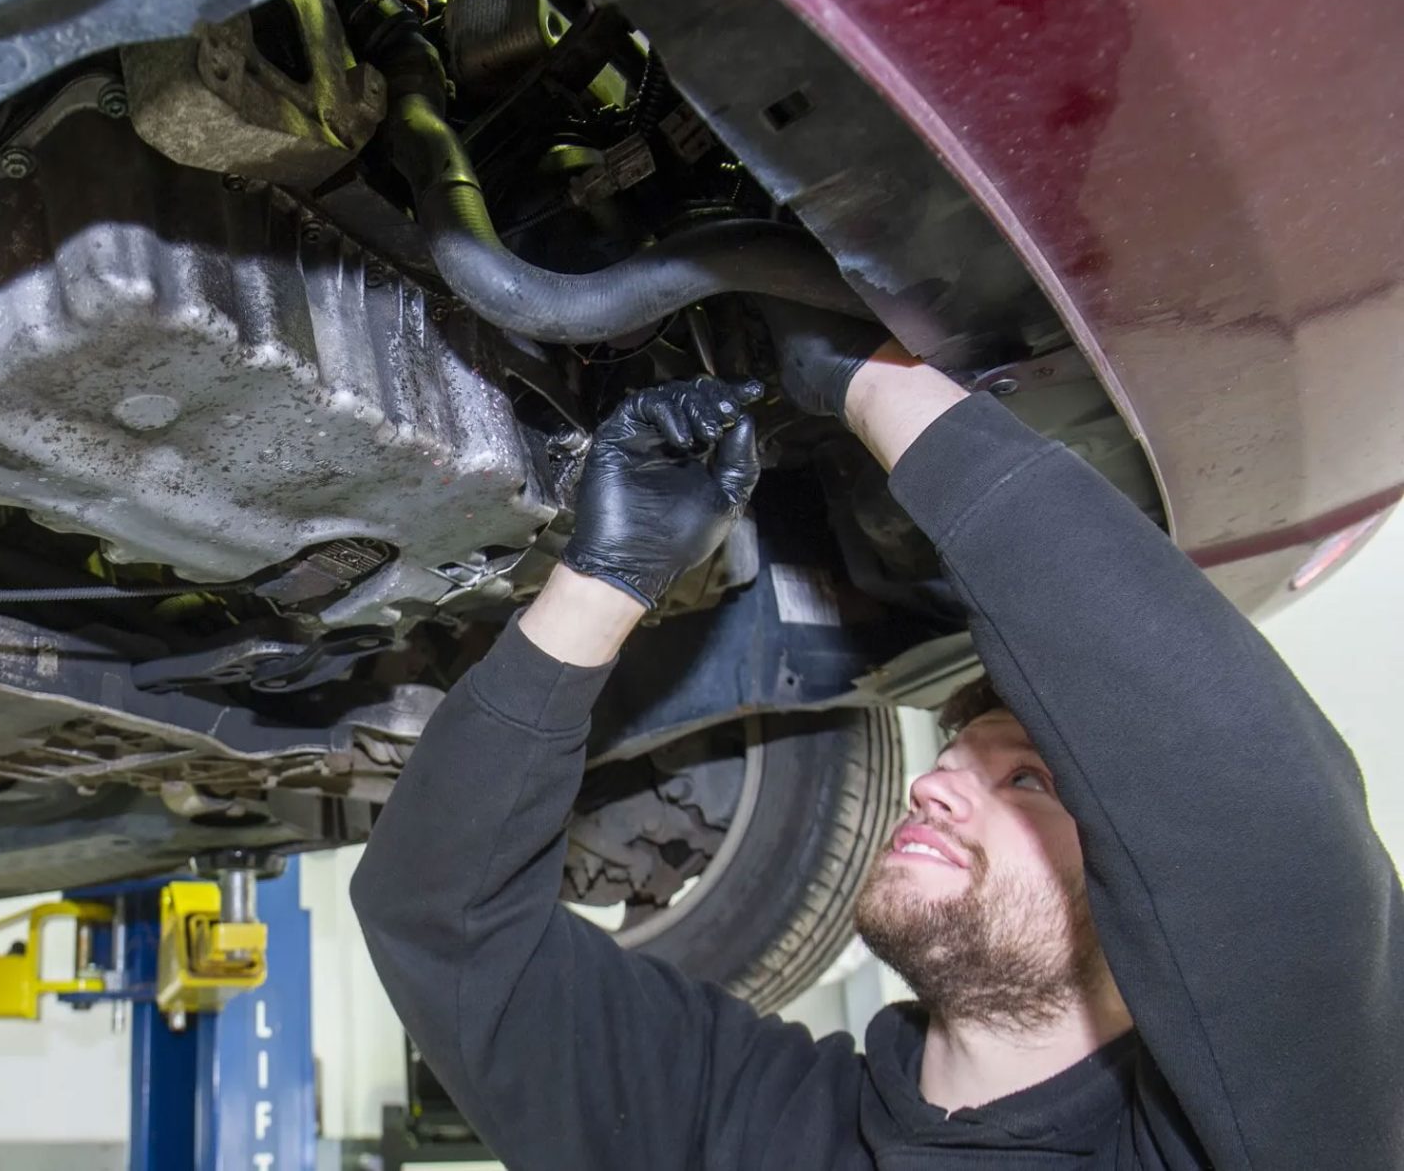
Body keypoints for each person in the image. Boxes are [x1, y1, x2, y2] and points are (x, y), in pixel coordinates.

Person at [350, 324, 1403, 1168]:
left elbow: (1274, 840)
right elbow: (444, 919)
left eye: (1027, 778)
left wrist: (885, 386)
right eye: (957, 753)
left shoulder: (1254, 1138)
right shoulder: (746, 1110)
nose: (940, 780)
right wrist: (608, 577)